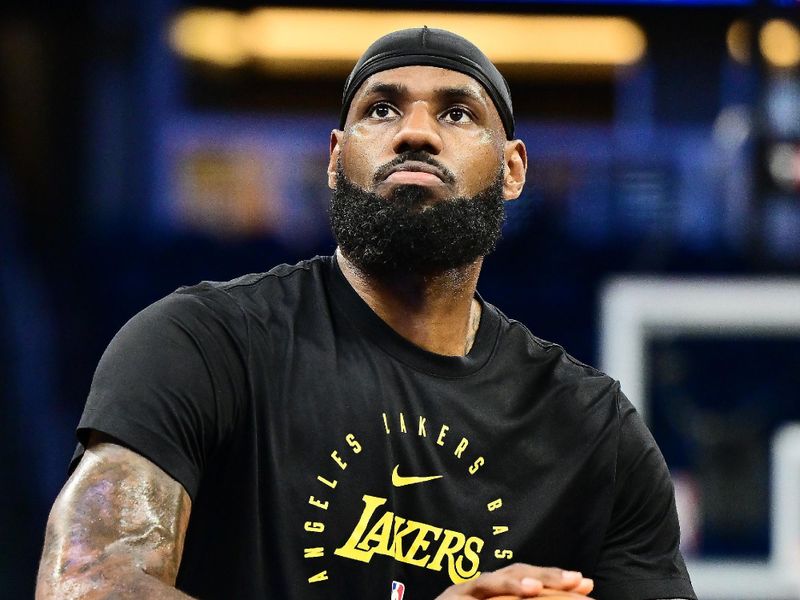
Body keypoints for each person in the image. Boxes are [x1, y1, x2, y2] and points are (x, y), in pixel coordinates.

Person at [36, 27, 696, 600]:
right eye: (380, 110)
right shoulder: (199, 346)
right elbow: (87, 584)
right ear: (334, 158)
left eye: (458, 114)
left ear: (513, 169)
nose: (415, 132)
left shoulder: (591, 432)